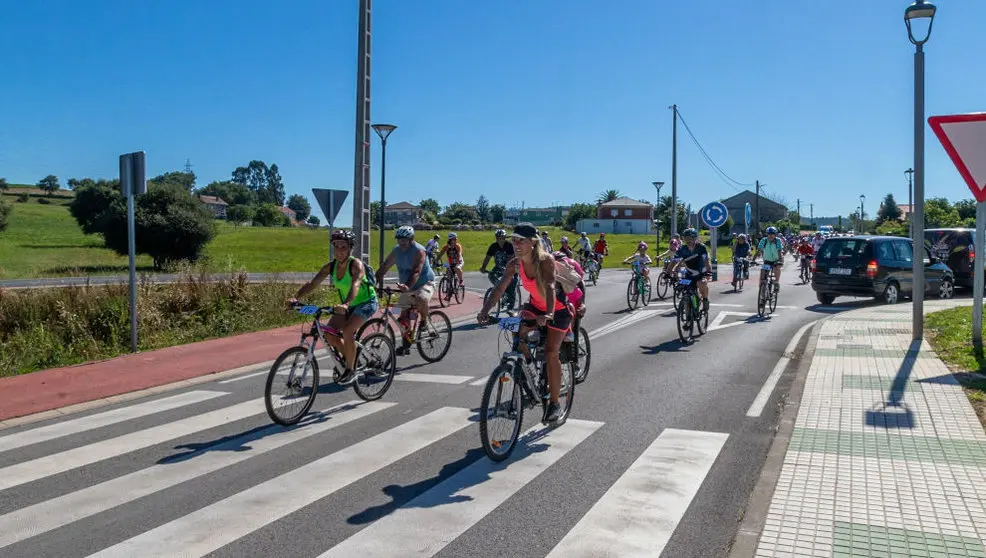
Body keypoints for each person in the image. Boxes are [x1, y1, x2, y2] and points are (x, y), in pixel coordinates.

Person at [479, 223, 572, 425]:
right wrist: (485, 310)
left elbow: (550, 287)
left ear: (533, 242)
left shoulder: (545, 260)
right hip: (534, 307)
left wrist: (548, 313)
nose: (516, 244)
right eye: (514, 240)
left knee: (551, 352)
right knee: (516, 331)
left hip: (557, 310)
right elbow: (500, 287)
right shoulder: (515, 263)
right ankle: (529, 372)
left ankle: (554, 403)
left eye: (521, 240)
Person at [289, 230, 378, 385]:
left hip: (366, 302)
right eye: (336, 247)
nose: (339, 251)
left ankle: (351, 370)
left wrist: (346, 304)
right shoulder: (330, 267)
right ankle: (352, 358)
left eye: (343, 247)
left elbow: (356, 284)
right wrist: (296, 298)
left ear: (350, 248)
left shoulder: (356, 265)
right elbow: (312, 284)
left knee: (348, 331)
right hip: (347, 306)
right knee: (329, 334)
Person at [375, 225, 436, 355]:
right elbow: (385, 266)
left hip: (425, 283)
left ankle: (424, 321)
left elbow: (416, 271)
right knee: (402, 315)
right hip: (406, 287)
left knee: (421, 298)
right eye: (399, 239)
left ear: (411, 239)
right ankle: (406, 345)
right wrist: (374, 282)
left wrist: (407, 286)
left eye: (405, 239)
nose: (401, 242)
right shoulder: (396, 251)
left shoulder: (419, 251)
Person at [671, 228, 712, 310]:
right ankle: (688, 312)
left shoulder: (701, 247)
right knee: (682, 286)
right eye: (686, 238)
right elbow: (674, 261)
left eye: (690, 238)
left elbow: (706, 261)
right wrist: (668, 272)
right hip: (689, 273)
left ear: (695, 238)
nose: (688, 240)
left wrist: (708, 272)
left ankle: (705, 300)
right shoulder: (682, 248)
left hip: (701, 272)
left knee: (702, 284)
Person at [479, 229, 518, 311]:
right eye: (498, 238)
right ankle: (500, 289)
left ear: (505, 238)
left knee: (512, 284)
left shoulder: (509, 245)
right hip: (498, 267)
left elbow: (512, 258)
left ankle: (510, 305)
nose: (500, 240)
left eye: (502, 237)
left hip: (511, 267)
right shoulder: (493, 246)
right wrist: (483, 267)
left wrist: (507, 269)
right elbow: (487, 258)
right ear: (496, 238)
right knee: (491, 275)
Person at [755, 226, 785, 292]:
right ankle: (762, 290)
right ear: (767, 234)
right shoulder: (764, 240)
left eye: (772, 234)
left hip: (776, 260)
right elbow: (758, 250)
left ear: (775, 234)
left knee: (777, 268)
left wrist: (780, 260)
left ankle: (776, 282)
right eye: (769, 234)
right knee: (762, 275)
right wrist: (753, 260)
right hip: (767, 260)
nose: (770, 235)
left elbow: (779, 251)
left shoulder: (778, 240)